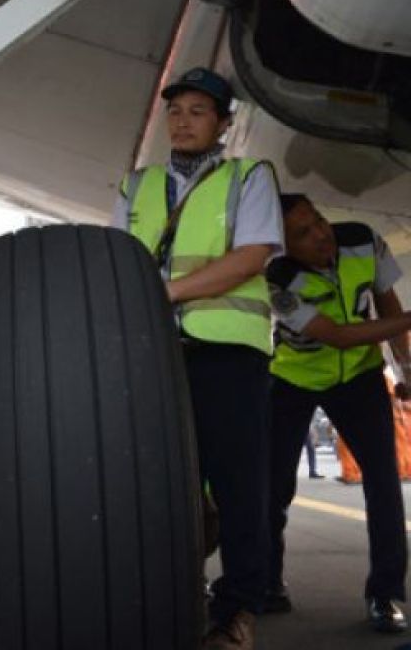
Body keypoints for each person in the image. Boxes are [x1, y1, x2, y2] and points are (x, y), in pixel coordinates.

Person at [113, 67, 283, 650]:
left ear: (224, 124)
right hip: (154, 352)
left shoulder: (248, 177)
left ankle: (236, 611)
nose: (183, 122)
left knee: (239, 487)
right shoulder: (136, 186)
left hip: (227, 351)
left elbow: (252, 257)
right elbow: (115, 263)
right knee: (155, 484)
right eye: (176, 111)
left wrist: (164, 293)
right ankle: (169, 594)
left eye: (198, 112)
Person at [265, 193, 411, 632]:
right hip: (294, 379)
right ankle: (268, 583)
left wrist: (404, 366)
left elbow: (388, 304)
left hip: (361, 377)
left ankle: (384, 594)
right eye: (304, 234)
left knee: (384, 482)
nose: (321, 235)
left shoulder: (363, 241)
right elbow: (339, 335)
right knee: (273, 488)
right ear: (283, 246)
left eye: (320, 221)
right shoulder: (277, 278)